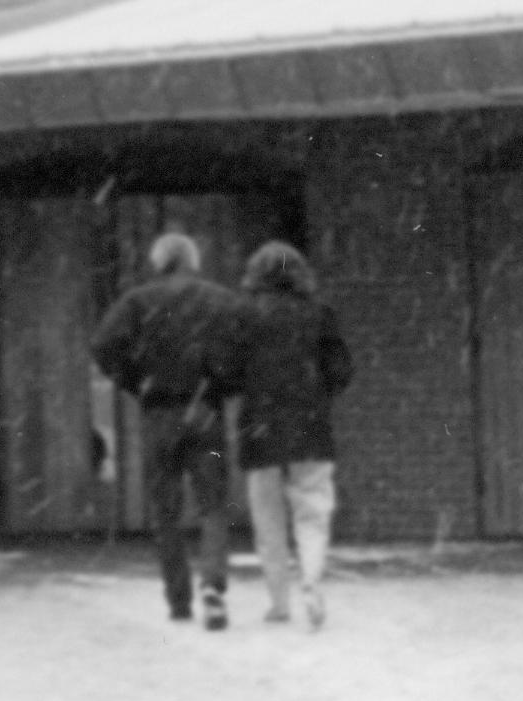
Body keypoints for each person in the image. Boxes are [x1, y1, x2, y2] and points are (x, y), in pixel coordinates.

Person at [88, 230, 251, 629]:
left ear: (159, 261)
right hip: (206, 413)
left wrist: (135, 381)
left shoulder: (138, 301)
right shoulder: (220, 300)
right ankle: (212, 585)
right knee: (214, 505)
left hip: (159, 414)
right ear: (192, 260)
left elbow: (102, 346)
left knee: (165, 511)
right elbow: (246, 347)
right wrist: (222, 383)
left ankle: (177, 599)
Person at [234, 240, 352, 631]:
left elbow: (226, 367)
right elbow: (341, 370)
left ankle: (278, 602)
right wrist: (317, 393)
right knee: (313, 509)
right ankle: (312, 581)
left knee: (267, 516)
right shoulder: (320, 313)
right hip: (310, 422)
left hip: (260, 424)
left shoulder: (244, 314)